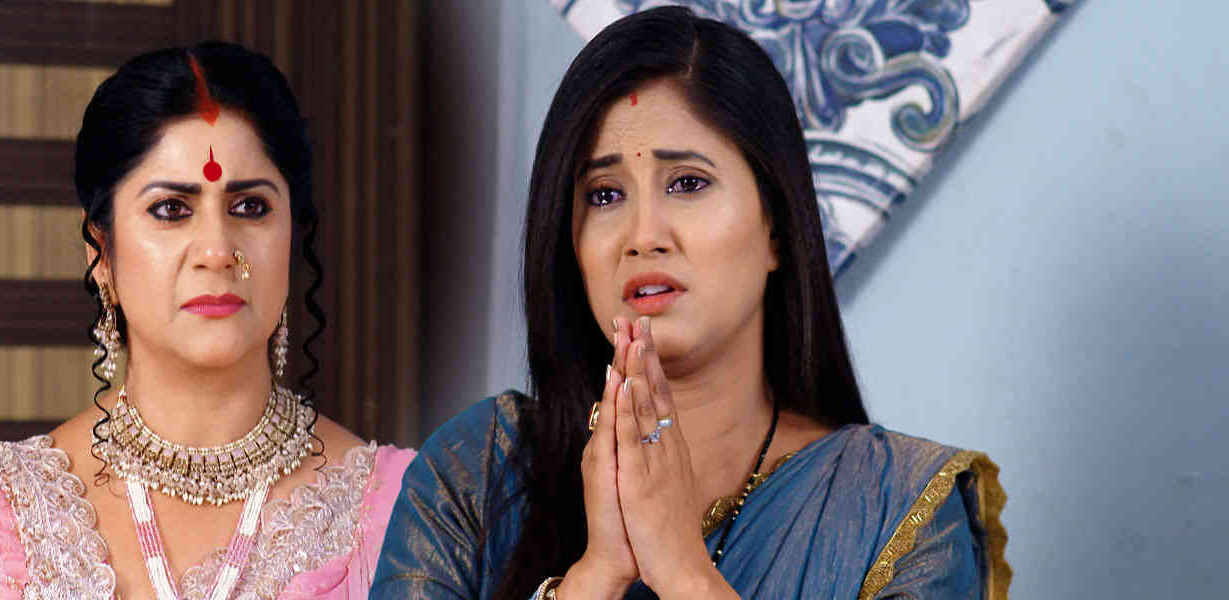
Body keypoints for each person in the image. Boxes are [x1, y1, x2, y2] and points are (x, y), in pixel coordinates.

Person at [371, 7, 1007, 600]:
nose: (644, 235)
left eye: (687, 183)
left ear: (777, 229)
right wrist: (597, 575)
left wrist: (682, 569)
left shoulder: (897, 509)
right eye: (604, 195)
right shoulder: (478, 471)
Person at [0, 41, 415, 600]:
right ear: (101, 253)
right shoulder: (8, 529)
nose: (217, 251)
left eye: (250, 207)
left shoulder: (402, 516)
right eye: (172, 209)